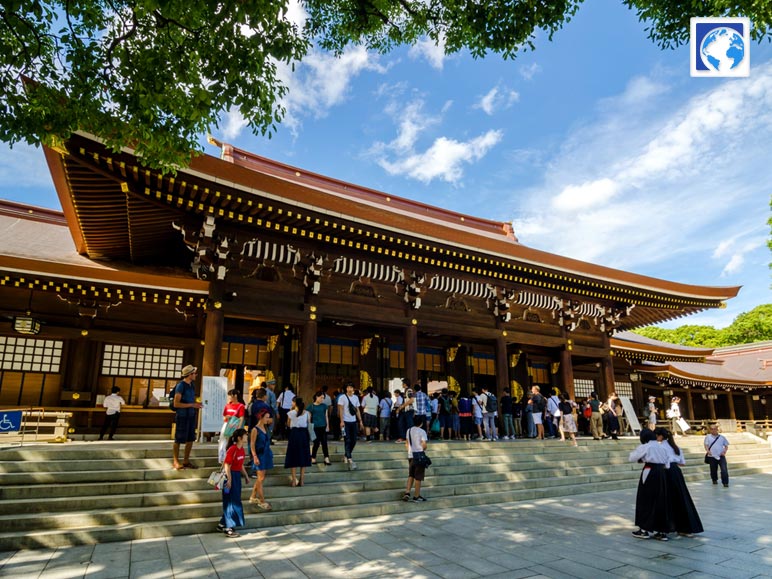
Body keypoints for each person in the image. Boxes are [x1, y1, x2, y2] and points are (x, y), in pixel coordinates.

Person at [628, 427, 674, 541]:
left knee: (646, 499)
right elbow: (668, 463)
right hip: (662, 473)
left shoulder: (646, 446)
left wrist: (644, 458)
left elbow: (632, 458)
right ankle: (661, 531)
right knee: (661, 500)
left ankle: (644, 529)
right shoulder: (662, 447)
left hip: (649, 471)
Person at [664, 429, 703, 536]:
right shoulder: (676, 448)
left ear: (660, 437)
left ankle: (668, 526)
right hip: (676, 471)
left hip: (666, 472)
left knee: (666, 498)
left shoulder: (661, 447)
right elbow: (682, 463)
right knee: (681, 497)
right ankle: (686, 527)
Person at [218, 427, 249, 538]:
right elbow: (227, 465)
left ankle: (222, 523)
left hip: (236, 476)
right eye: (245, 435)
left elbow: (240, 465)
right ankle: (228, 528)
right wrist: (229, 479)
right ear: (239, 438)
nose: (247, 436)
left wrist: (245, 475)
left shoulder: (242, 449)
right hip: (229, 477)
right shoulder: (232, 449)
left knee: (234, 499)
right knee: (230, 501)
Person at [172, 365, 203, 471]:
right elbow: (176, 404)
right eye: (194, 373)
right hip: (182, 415)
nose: (196, 375)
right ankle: (175, 461)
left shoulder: (192, 385)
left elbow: (191, 400)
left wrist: (196, 403)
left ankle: (186, 460)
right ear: (190, 374)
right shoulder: (181, 385)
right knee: (179, 438)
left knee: (190, 438)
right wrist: (192, 405)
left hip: (191, 415)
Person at [248, 408, 274, 510]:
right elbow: (252, 444)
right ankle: (262, 500)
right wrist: (254, 456)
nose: (268, 419)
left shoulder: (266, 428)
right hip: (259, 454)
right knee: (261, 478)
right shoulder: (255, 429)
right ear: (261, 417)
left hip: (266, 453)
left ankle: (253, 496)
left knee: (261, 478)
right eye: (266, 417)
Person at [284, 397, 312, 486]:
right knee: (303, 456)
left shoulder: (291, 413)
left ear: (295, 403)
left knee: (293, 456)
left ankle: (293, 480)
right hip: (303, 435)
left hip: (294, 434)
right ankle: (302, 480)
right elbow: (309, 424)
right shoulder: (307, 413)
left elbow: (288, 424)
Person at [402, 415, 429, 502]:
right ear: (421, 423)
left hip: (411, 455)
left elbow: (406, 443)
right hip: (419, 455)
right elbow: (424, 445)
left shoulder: (408, 430)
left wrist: (410, 450)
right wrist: (423, 448)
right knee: (418, 477)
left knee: (411, 475)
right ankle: (416, 496)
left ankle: (407, 492)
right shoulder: (422, 432)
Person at [339, 382, 364, 469]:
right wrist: (341, 421)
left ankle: (346, 455)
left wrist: (360, 421)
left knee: (354, 440)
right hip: (345, 421)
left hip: (353, 421)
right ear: (346, 388)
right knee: (347, 439)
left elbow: (357, 410)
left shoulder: (356, 397)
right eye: (348, 387)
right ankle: (349, 458)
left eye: (351, 387)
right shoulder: (342, 397)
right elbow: (341, 410)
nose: (349, 389)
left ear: (353, 389)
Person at [219, 388, 246, 463]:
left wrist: (239, 428)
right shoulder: (227, 405)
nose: (229, 397)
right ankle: (223, 458)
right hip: (226, 425)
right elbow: (224, 416)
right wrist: (226, 417)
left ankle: (233, 459)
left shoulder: (241, 406)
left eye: (230, 396)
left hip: (235, 426)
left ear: (235, 396)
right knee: (223, 442)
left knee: (233, 442)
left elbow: (241, 418)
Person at [704, 423, 730, 487]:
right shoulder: (708, 437)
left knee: (724, 469)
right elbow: (706, 445)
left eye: (715, 429)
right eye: (712, 429)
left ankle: (725, 482)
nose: (713, 430)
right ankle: (714, 479)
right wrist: (708, 451)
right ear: (710, 430)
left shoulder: (722, 437)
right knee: (713, 469)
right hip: (712, 456)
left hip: (721, 456)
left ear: (717, 429)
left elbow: (726, 446)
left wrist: (724, 452)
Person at [309, 391, 331, 465]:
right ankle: (313, 457)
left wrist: (327, 426)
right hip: (315, 427)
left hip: (323, 426)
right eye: (321, 397)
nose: (322, 399)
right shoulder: (311, 406)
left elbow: (326, 416)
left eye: (323, 398)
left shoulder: (324, 406)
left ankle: (326, 457)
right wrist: (309, 428)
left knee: (324, 442)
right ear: (316, 397)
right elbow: (309, 418)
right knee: (316, 443)